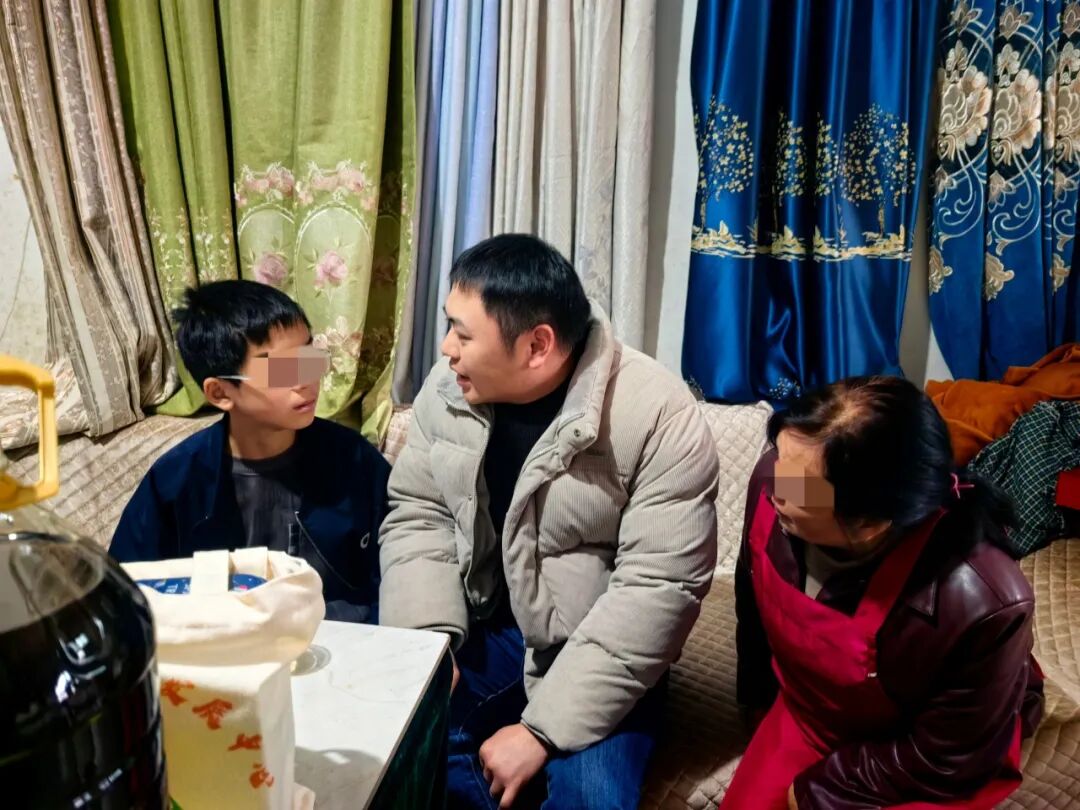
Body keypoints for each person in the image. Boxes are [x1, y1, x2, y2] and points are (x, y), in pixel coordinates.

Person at [378, 234, 719, 808]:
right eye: (449, 325)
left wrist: (540, 732)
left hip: (596, 646)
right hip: (486, 628)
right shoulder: (447, 391)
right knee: (402, 747)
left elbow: (659, 589)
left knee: (590, 800)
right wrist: (429, 640)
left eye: (463, 333)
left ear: (537, 345)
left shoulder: (656, 413)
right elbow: (420, 513)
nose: (446, 348)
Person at [727, 376, 1044, 810]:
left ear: (870, 521)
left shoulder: (985, 601)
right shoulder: (773, 482)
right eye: (780, 457)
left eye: (800, 486)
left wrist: (819, 791)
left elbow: (946, 759)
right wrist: (756, 702)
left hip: (921, 757)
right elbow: (753, 602)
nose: (776, 486)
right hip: (811, 712)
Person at [110, 280, 389, 623]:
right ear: (220, 393)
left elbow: (394, 574)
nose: (306, 379)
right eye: (282, 368)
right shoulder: (177, 481)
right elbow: (126, 595)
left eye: (308, 357)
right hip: (225, 643)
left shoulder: (354, 459)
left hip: (345, 642)